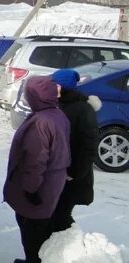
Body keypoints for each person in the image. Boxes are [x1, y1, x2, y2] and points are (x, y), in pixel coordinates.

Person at [4, 76, 71, 263]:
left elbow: (36, 159)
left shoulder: (42, 121)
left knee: (31, 228)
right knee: (35, 224)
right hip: (53, 179)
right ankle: (32, 261)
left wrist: (31, 188)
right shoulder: (56, 114)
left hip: (40, 183)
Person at [48, 69, 99, 232]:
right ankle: (45, 255)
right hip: (55, 171)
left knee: (61, 216)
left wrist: (74, 173)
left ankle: (69, 251)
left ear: (62, 87)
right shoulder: (56, 103)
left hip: (70, 175)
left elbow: (88, 146)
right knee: (50, 215)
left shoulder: (83, 110)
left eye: (53, 84)